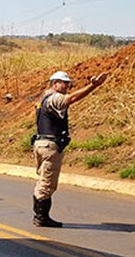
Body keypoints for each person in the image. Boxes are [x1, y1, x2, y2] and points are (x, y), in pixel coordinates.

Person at [32, 70, 108, 227]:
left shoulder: (43, 98)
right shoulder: (55, 98)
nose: (67, 86)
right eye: (65, 83)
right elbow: (71, 99)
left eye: (68, 84)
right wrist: (92, 86)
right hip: (50, 146)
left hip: (40, 143)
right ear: (55, 83)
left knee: (42, 181)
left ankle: (40, 216)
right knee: (47, 183)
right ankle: (41, 217)